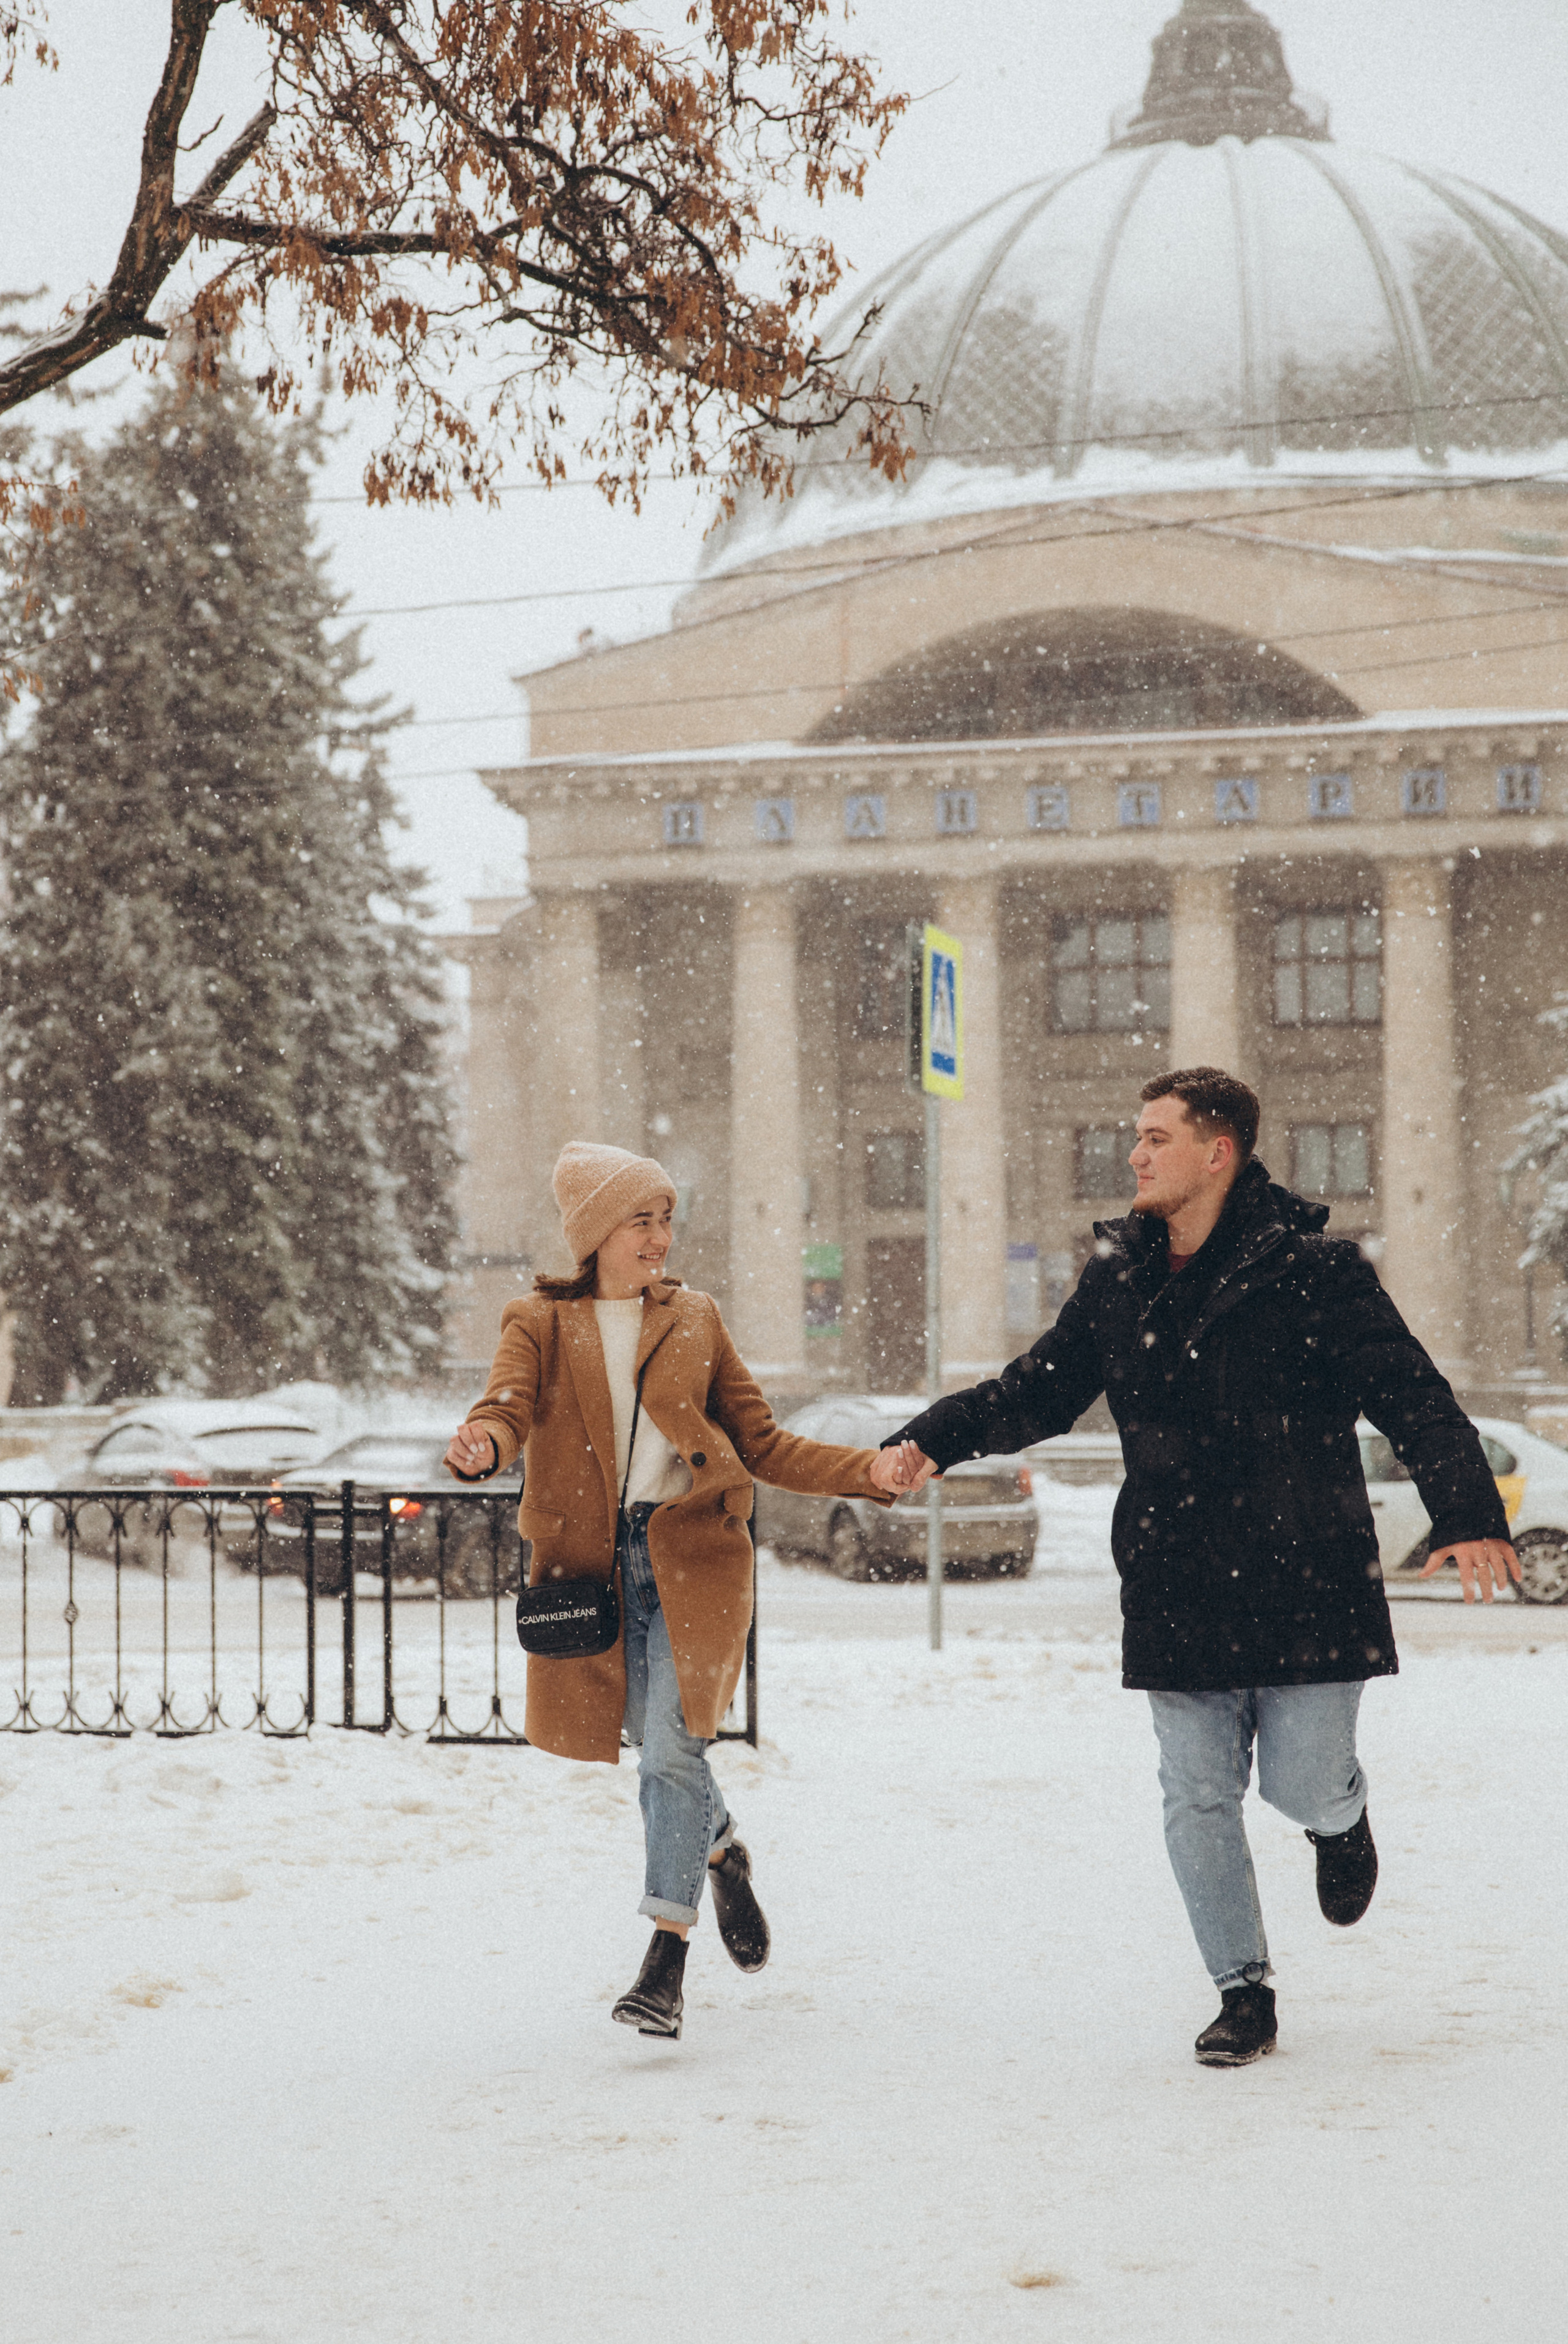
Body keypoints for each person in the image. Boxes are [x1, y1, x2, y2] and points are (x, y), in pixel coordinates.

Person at [869, 1067, 1518, 2068]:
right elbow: (1034, 1393)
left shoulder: (1316, 1271)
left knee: (1298, 1780)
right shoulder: (1118, 1280)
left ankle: (1338, 1817)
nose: (1134, 1153)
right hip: (1174, 1574)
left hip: (1308, 1574)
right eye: (1137, 1134)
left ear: (1219, 1153)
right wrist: (928, 1441)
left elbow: (1413, 1395)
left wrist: (1469, 1511)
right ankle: (1242, 1988)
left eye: (1155, 1137)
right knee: (1195, 1794)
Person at [445, 1140, 891, 2043]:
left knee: (667, 1756)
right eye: (642, 1218)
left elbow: (765, 1444)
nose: (660, 1236)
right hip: (594, 1574)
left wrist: (869, 1469)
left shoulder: (697, 1318)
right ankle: (722, 1849)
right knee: (656, 1748)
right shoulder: (536, 1319)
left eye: (666, 1217)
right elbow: (504, 1404)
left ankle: (665, 1958)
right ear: (596, 1231)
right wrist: (483, 1444)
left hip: (693, 1564)